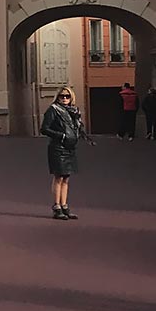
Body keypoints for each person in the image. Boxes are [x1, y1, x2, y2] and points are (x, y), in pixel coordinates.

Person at [40, 86, 93, 220]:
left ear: (71, 98)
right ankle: (57, 207)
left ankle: (65, 206)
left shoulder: (74, 111)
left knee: (66, 178)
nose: (64, 99)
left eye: (67, 96)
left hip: (69, 147)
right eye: (62, 96)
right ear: (57, 97)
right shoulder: (53, 110)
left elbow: (78, 127)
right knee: (59, 177)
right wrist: (61, 136)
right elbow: (44, 129)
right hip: (57, 147)